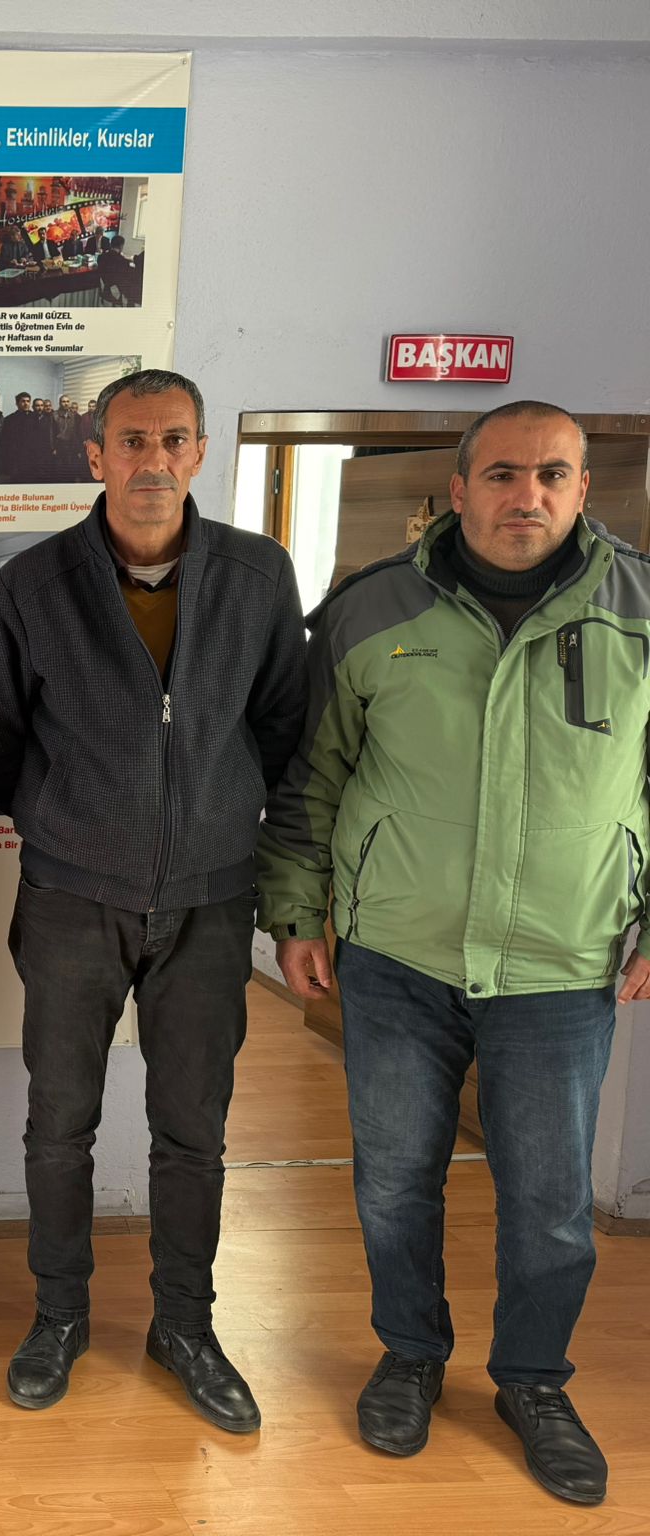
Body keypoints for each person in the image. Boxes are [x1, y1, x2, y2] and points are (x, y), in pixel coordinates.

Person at [260, 400, 634, 1507]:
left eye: (553, 475)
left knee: (550, 1201)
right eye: (504, 474)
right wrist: (295, 913)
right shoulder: (371, 608)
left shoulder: (638, 609)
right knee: (392, 1180)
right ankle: (410, 1354)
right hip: (396, 954)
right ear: (460, 488)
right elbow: (311, 776)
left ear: (582, 490)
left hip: (560, 961)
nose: (528, 496)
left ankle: (533, 1381)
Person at [0, 369, 306, 1432]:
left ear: (198, 452)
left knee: (192, 1132)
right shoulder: (32, 585)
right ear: (95, 456)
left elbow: (283, 732)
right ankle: (58, 1317)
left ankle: (185, 1326)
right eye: (130, 441)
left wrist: (217, 827)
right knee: (58, 1125)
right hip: (71, 900)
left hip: (210, 905)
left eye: (171, 440)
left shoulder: (257, 576)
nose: (151, 460)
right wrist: (74, 818)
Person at [1, 391, 49, 483]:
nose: (26, 403)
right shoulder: (9, 419)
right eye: (23, 401)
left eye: (28, 401)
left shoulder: (36, 417)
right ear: (17, 403)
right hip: (16, 458)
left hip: (33, 458)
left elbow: (39, 438)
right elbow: (6, 441)